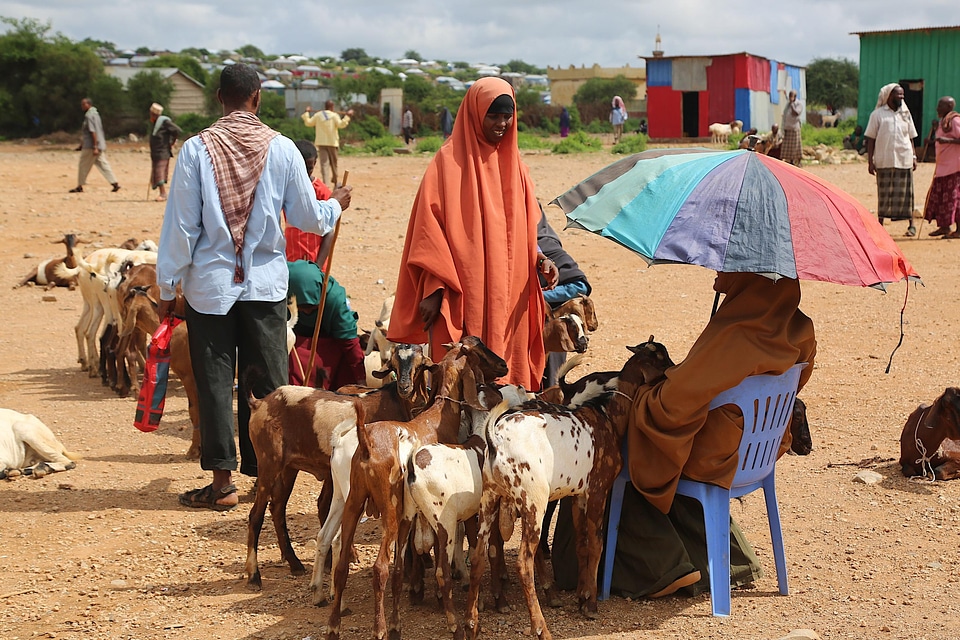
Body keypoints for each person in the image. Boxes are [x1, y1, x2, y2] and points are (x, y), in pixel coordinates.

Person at [156, 63, 352, 511]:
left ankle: (222, 482)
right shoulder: (282, 149)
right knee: (267, 386)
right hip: (264, 286)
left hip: (210, 287)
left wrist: (168, 284)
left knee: (215, 381)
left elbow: (180, 229)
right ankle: (270, 479)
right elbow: (308, 215)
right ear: (257, 98)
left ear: (220, 98)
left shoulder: (194, 151)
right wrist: (335, 206)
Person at [387, 77, 559, 391]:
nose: (502, 123)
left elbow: (520, 231)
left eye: (507, 116)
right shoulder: (447, 163)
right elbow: (429, 232)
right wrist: (434, 288)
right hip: (467, 288)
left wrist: (539, 258)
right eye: (493, 115)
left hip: (510, 290)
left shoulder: (516, 166)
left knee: (509, 375)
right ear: (474, 113)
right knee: (461, 377)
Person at [286, 260, 365, 389]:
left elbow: (350, 343)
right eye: (302, 308)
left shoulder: (334, 300)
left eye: (312, 307)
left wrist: (361, 380)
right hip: (295, 346)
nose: (307, 312)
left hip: (329, 344)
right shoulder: (281, 293)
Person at [537, 205, 591, 388]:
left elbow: (579, 286)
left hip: (548, 330)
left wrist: (538, 296)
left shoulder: (547, 247)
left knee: (549, 385)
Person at [866, 83, 919, 237]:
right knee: (884, 194)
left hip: (904, 159)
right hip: (884, 160)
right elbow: (871, 139)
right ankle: (880, 226)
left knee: (907, 194)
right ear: (888, 96)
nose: (901, 97)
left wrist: (914, 156)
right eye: (898, 94)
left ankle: (911, 226)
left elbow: (911, 138)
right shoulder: (877, 115)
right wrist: (870, 161)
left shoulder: (905, 114)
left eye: (902, 95)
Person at [285, 140, 334, 267]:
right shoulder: (287, 188)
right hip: (289, 257)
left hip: (313, 259)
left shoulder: (322, 192)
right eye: (301, 168)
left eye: (309, 168)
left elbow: (329, 231)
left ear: (315, 163)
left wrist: (318, 266)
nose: (305, 173)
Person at [922, 96, 960, 238]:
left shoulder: (955, 121)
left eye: (941, 106)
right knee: (942, 198)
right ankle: (944, 227)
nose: (937, 108)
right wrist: (931, 142)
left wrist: (947, 140)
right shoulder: (943, 122)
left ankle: (958, 230)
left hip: (953, 167)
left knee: (953, 200)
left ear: (949, 107)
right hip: (942, 167)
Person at [70, 98, 121, 194]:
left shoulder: (89, 116)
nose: (82, 106)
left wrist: (95, 147)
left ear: (88, 105)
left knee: (83, 165)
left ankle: (80, 186)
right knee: (103, 164)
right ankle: (115, 183)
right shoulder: (96, 115)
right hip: (99, 144)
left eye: (83, 104)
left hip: (91, 146)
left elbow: (92, 132)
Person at [301, 100, 354, 187]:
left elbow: (309, 123)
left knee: (324, 164)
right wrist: (347, 116)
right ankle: (336, 181)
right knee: (334, 163)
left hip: (321, 142)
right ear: (332, 107)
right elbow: (341, 125)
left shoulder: (318, 115)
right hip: (332, 142)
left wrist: (306, 113)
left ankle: (326, 184)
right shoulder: (334, 116)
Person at [148, 103, 181, 202]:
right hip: (157, 152)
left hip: (162, 151)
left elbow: (176, 130)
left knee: (159, 172)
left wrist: (172, 142)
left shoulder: (164, 122)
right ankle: (162, 193)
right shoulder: (156, 123)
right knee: (157, 172)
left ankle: (163, 194)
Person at [780, 90, 803, 166]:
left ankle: (797, 161)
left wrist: (792, 104)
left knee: (795, 146)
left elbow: (796, 113)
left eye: (791, 96)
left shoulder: (798, 104)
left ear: (795, 97)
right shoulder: (787, 105)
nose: (790, 98)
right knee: (787, 147)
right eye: (789, 96)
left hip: (794, 128)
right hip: (787, 128)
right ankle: (789, 161)